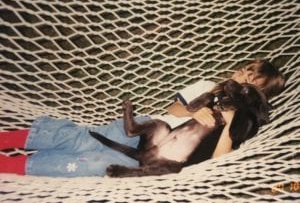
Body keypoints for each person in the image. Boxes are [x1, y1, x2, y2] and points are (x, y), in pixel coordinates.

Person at [0, 59, 285, 177]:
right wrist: (193, 110)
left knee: (94, 164)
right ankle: (8, 139)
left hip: (150, 161)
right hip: (143, 130)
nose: (242, 80)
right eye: (244, 71)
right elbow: (173, 110)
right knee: (78, 138)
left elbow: (221, 159)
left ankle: (12, 166)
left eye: (251, 82)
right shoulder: (207, 87)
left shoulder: (244, 125)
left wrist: (230, 122)